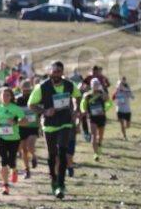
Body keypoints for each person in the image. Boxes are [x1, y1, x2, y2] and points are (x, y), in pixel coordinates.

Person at [27, 61, 81, 199]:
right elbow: (31, 105)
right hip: (49, 124)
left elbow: (78, 95)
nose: (56, 74)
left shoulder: (69, 85)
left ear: (62, 72)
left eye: (59, 71)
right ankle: (53, 180)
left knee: (62, 152)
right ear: (50, 72)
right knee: (52, 154)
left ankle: (61, 184)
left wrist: (76, 109)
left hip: (65, 122)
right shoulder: (42, 87)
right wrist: (45, 111)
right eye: (54, 71)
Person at [0, 87, 27, 195]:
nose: (5, 97)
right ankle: (5, 186)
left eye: (7, 95)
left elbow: (25, 121)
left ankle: (14, 169)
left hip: (14, 138)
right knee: (3, 160)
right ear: (0, 96)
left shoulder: (15, 108)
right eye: (3, 95)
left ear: (11, 96)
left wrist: (15, 122)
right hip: (1, 137)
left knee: (11, 161)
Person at [80, 78, 113, 161]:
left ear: (99, 85)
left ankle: (100, 145)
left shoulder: (102, 94)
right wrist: (84, 111)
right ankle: (95, 154)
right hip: (92, 118)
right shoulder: (87, 95)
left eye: (97, 84)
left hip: (101, 117)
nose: (95, 86)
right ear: (91, 85)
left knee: (100, 135)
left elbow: (110, 103)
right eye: (94, 84)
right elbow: (82, 104)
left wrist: (104, 110)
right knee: (94, 135)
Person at [15, 80, 39, 178]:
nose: (26, 92)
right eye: (24, 90)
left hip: (33, 127)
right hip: (22, 127)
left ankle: (34, 156)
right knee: (23, 149)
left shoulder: (35, 98)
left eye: (28, 90)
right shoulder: (18, 100)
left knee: (30, 145)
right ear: (21, 89)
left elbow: (39, 111)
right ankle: (27, 170)